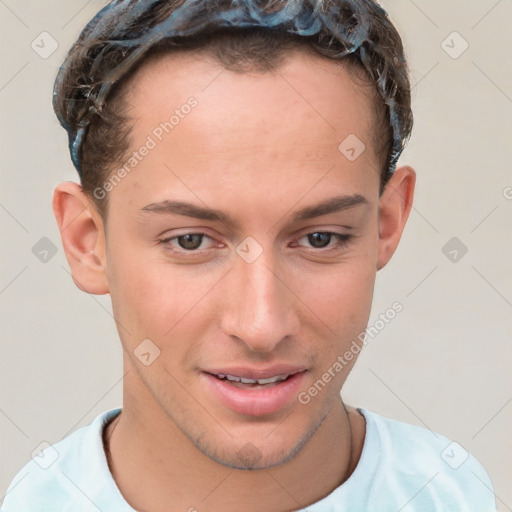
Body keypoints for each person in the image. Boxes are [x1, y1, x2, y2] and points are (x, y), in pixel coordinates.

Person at [1, 0, 497, 510]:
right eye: (190, 241)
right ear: (87, 241)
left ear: (386, 224)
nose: (261, 326)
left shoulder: (453, 494)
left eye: (320, 238)